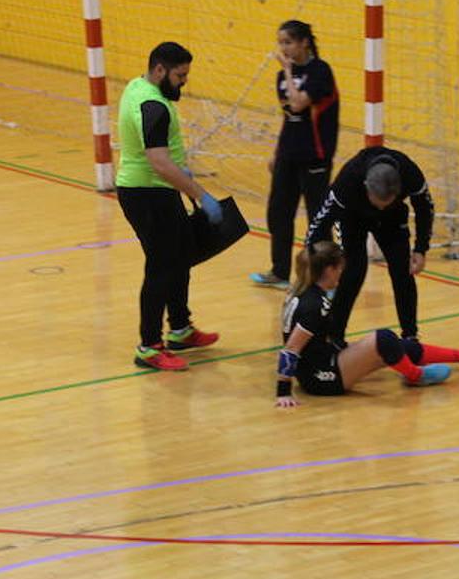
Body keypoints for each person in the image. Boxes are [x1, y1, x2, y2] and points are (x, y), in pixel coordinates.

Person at [115, 41, 227, 372]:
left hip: (160, 191)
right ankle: (149, 346)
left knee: (180, 256)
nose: (184, 81)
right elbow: (159, 162)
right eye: (180, 75)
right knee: (161, 266)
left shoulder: (138, 85)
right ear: (160, 70)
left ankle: (180, 328)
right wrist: (201, 195)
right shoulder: (154, 107)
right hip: (147, 194)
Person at [274, 242, 459, 404]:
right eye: (340, 268)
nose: (342, 273)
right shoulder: (313, 304)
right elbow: (291, 348)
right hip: (321, 378)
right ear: (329, 269)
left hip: (324, 362)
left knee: (398, 346)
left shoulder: (304, 291)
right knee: (385, 339)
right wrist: (283, 390)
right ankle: (415, 376)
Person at [302, 145, 433, 345]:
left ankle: (410, 335)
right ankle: (335, 335)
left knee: (402, 272)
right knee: (353, 271)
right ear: (366, 186)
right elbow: (320, 221)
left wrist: (421, 248)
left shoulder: (409, 173)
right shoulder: (348, 180)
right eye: (378, 201)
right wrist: (313, 261)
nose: (381, 206)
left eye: (387, 201)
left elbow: (425, 208)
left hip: (392, 220)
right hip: (353, 218)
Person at [249, 20, 339, 291]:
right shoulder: (282, 77)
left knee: (317, 218)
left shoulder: (320, 71)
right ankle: (279, 272)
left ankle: (323, 276)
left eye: (288, 42)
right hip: (289, 154)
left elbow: (300, 103)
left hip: (315, 156)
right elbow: (290, 117)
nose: (283, 48)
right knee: (278, 212)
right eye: (280, 43)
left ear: (304, 43)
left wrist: (288, 70)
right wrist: (278, 151)